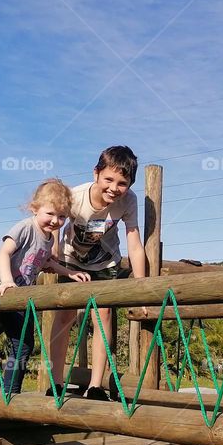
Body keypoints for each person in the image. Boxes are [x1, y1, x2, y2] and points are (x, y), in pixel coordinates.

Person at [49, 146, 147, 400]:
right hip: (72, 261)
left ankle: (95, 386)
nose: (114, 188)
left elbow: (133, 240)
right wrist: (54, 258)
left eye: (122, 183)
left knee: (102, 317)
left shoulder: (129, 201)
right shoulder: (75, 196)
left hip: (105, 263)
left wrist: (142, 286)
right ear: (96, 173)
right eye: (109, 179)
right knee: (64, 317)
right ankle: (56, 382)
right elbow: (54, 227)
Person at [0, 179, 89, 395]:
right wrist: (7, 281)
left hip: (22, 296)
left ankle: (10, 393)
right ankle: (9, 394)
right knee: (22, 344)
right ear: (34, 209)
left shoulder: (46, 238)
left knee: (23, 344)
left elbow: (46, 263)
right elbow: (3, 253)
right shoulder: (26, 228)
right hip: (5, 292)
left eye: (62, 216)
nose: (56, 221)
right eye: (50, 214)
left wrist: (69, 272)